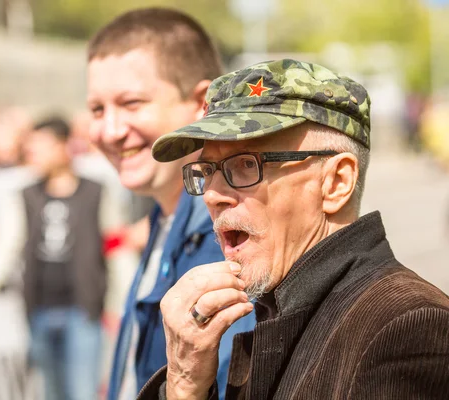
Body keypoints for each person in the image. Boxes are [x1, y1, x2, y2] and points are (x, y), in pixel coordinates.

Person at [136, 59, 449, 400]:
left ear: (336, 182)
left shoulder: (407, 327)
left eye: (245, 165)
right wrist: (185, 385)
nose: (211, 194)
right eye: (207, 169)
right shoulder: (281, 306)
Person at [86, 7, 256, 400]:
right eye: (97, 109)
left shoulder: (225, 240)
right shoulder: (165, 219)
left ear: (201, 103)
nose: (110, 131)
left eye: (131, 104)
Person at [0, 117, 106, 400]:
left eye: (41, 147)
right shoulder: (26, 196)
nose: (34, 155)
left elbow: (115, 246)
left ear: (64, 146)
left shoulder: (96, 191)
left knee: (83, 390)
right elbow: (5, 246)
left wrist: (119, 302)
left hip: (83, 308)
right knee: (51, 391)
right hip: (40, 308)